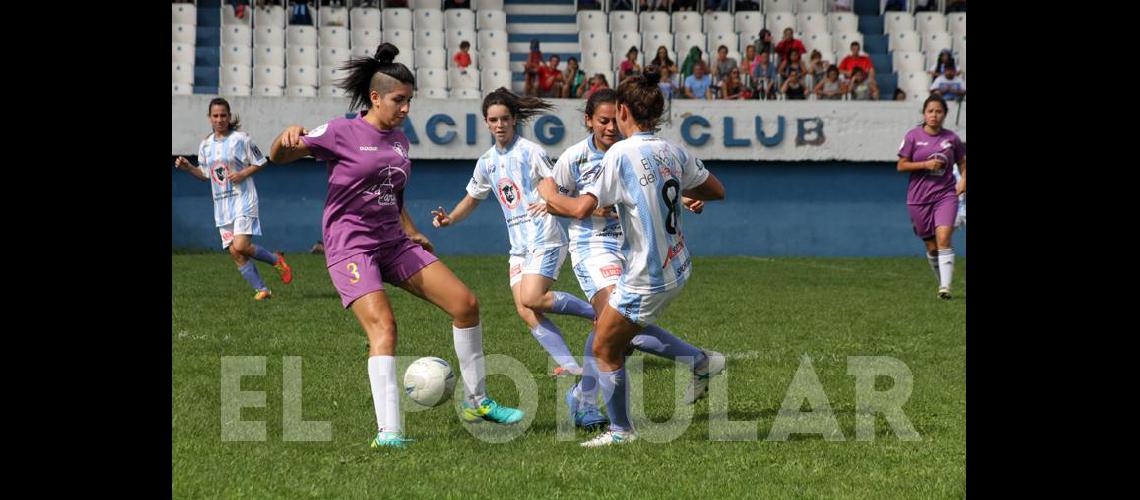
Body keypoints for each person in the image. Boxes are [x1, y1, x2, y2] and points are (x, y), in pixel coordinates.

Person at [267, 44, 524, 449]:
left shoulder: (400, 141)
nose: (405, 108)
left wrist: (412, 230)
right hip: (351, 247)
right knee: (385, 328)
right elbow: (278, 157)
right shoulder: (341, 131)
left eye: (409, 100)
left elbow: (392, 193)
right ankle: (389, 432)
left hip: (393, 241)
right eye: (398, 100)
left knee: (466, 304)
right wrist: (284, 140)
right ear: (375, 98)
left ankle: (479, 403)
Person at [536, 68, 726, 447]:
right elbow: (716, 190)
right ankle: (693, 366)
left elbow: (576, 209)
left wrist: (547, 192)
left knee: (608, 346)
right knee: (615, 334)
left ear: (624, 111)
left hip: (645, 272)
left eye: (613, 116)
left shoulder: (620, 155)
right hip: (676, 264)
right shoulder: (672, 149)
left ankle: (619, 429)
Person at [431, 88, 598, 378]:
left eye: (505, 119)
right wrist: (451, 219)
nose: (499, 125)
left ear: (514, 120)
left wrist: (551, 202)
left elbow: (557, 185)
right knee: (525, 309)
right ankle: (572, 367)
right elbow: (473, 197)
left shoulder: (531, 152)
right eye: (493, 120)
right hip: (518, 247)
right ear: (486, 122)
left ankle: (599, 314)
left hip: (545, 237)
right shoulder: (486, 162)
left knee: (532, 297)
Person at [174, 98, 293, 301]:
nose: (219, 119)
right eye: (215, 116)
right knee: (235, 253)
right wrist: (188, 168)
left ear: (229, 117)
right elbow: (205, 175)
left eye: (223, 115)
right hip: (221, 206)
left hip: (243, 198)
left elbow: (261, 162)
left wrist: (243, 174)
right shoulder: (205, 145)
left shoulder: (241, 139)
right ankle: (262, 290)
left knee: (241, 245)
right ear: (210, 118)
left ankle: (276, 260)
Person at [896, 94, 966, 299]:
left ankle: (945, 288)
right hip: (918, 198)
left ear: (944, 114)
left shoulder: (951, 138)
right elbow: (901, 165)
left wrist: (963, 180)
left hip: (945, 195)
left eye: (938, 111)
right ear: (924, 114)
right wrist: (925, 165)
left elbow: (963, 162)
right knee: (931, 245)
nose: (934, 115)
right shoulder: (912, 136)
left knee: (943, 237)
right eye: (930, 111)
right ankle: (941, 282)